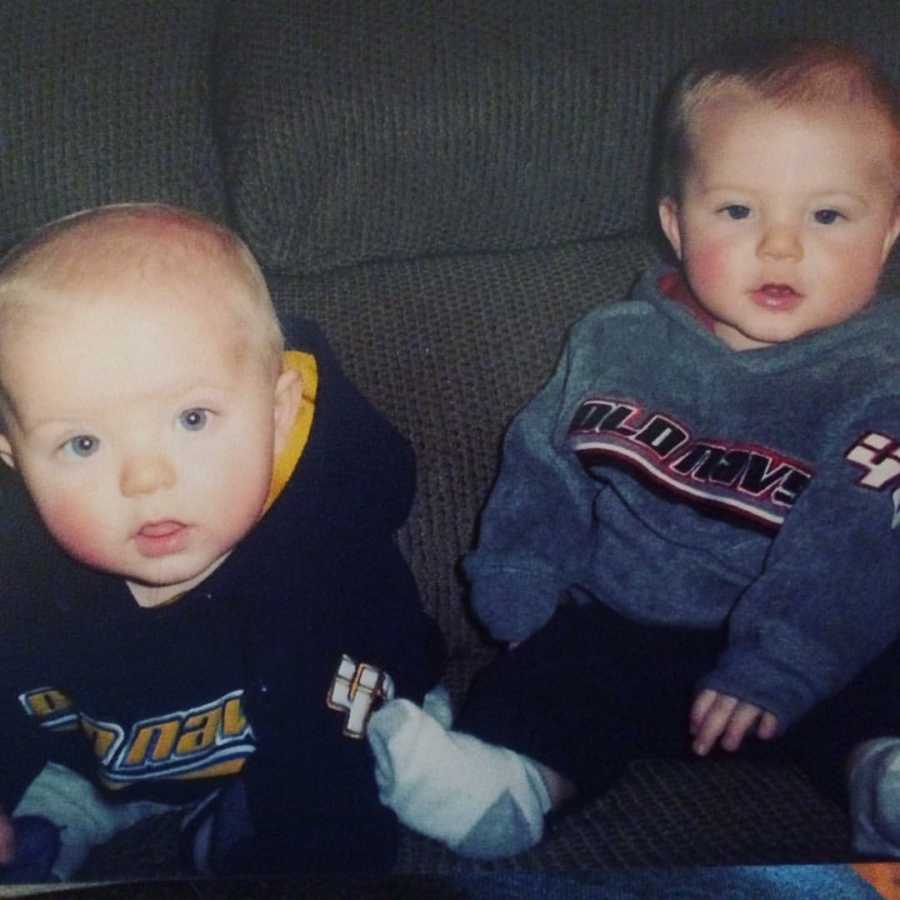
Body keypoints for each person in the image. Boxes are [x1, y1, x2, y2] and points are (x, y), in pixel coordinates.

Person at [367, 36, 900, 860]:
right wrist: (521, 583)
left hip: (819, 639)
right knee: (551, 678)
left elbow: (860, 547)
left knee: (883, 671)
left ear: (889, 233)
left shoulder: (879, 381)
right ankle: (509, 784)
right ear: (675, 224)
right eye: (737, 210)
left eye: (827, 215)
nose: (782, 246)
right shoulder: (616, 346)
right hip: (628, 624)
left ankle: (882, 778)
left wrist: (781, 666)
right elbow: (543, 467)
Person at [0, 203, 444, 881]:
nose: (147, 478)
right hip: (96, 763)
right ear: (14, 458)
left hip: (298, 740)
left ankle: (231, 824)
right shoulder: (19, 576)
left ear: (277, 413)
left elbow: (330, 770)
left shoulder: (324, 556)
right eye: (82, 442)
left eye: (192, 418)